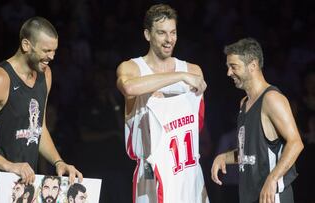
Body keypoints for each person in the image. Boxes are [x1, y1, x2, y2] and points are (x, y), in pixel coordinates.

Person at [0, 16, 83, 202]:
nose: (52, 57)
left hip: (23, 190)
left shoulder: (45, 74)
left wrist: (58, 162)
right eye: (46, 50)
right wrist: (8, 165)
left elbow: (38, 129)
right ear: (26, 45)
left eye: (54, 51)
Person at [116, 4, 208, 203]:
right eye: (162, 33)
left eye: (173, 32)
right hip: (150, 176)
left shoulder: (193, 70)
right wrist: (179, 76)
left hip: (187, 171)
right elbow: (129, 88)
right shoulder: (133, 68)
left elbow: (198, 124)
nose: (169, 39)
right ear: (148, 35)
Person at [211, 38, 304, 203]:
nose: (229, 73)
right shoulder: (244, 103)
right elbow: (250, 153)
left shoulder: (272, 99)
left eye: (234, 66)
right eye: (228, 67)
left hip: (273, 197)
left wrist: (272, 179)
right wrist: (224, 157)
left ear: (252, 65)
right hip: (251, 196)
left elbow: (296, 143)